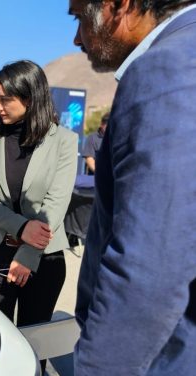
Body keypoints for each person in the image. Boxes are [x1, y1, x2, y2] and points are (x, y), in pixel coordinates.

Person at [68, 1, 196, 374]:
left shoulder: (166, 68)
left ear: (117, 6)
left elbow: (149, 270)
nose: (77, 38)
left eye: (79, 18)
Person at [0, 60, 78, 372]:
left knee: (34, 345)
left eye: (5, 99)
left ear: (30, 98)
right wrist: (21, 228)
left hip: (44, 258)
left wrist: (28, 253)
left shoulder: (64, 142)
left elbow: (55, 204)